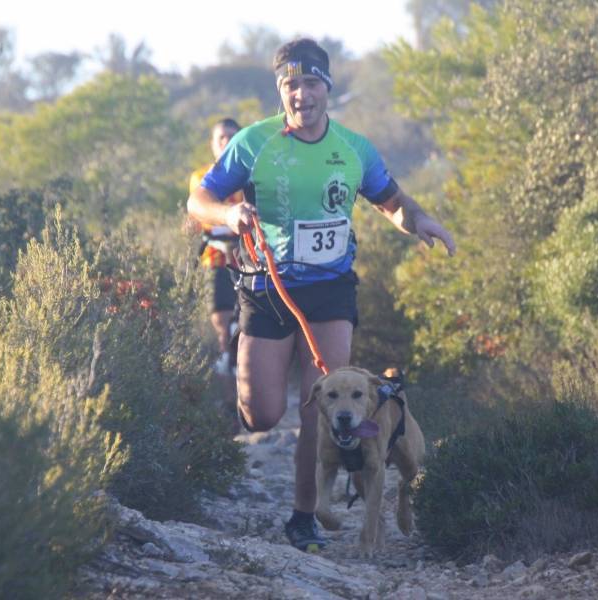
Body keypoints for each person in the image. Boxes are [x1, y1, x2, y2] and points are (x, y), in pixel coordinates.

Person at [187, 38, 455, 552]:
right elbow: (199, 200)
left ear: (327, 87)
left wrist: (420, 221)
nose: (301, 94)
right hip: (267, 290)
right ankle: (251, 393)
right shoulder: (253, 142)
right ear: (280, 90)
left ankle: (304, 516)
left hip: (330, 290)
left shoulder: (354, 148)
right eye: (291, 84)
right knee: (263, 415)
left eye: (311, 83)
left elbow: (391, 201)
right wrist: (228, 212)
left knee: (322, 408)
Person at [187, 118, 244, 380]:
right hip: (214, 254)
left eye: (232, 136)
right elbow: (198, 213)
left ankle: (244, 362)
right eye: (221, 137)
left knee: (246, 314)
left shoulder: (249, 175)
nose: (226, 142)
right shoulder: (200, 177)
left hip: (246, 254)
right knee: (220, 313)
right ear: (212, 143)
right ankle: (226, 363)